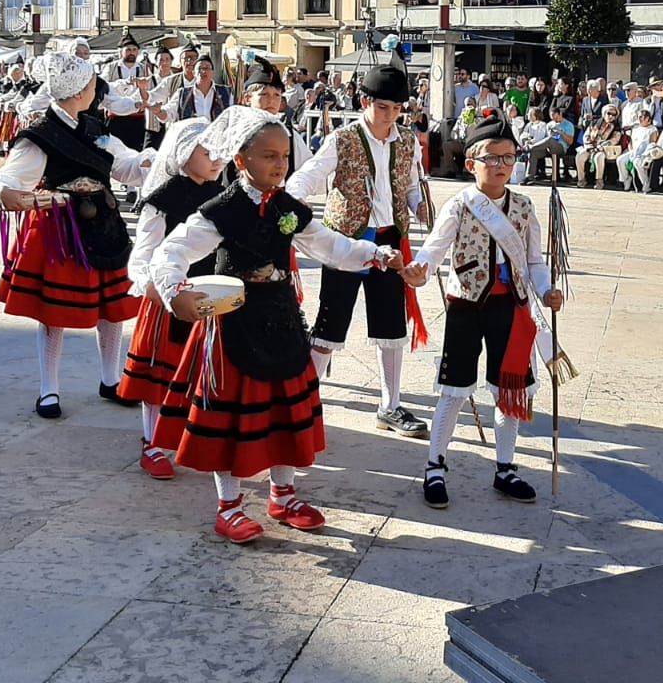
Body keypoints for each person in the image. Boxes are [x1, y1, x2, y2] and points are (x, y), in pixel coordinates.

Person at [148, 108, 405, 543]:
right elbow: (170, 251)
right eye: (269, 155)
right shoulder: (221, 210)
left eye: (285, 155)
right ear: (241, 159)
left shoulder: (289, 208)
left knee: (284, 413)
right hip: (234, 325)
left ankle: (282, 495)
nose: (280, 164)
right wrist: (175, 291)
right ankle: (228, 505)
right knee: (232, 420)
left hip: (283, 320)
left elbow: (329, 245)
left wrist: (374, 255)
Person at [0, 52, 156, 418]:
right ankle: (49, 390)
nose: (95, 89)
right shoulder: (40, 136)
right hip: (62, 231)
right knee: (54, 313)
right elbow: (5, 180)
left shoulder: (94, 128)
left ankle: (111, 379)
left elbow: (124, 166)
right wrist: (6, 194)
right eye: (92, 84)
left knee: (112, 308)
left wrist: (151, 161)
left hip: (104, 224)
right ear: (78, 91)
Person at [406, 112, 562, 509]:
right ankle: (435, 466)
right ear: (471, 162)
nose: (500, 166)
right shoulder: (460, 205)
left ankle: (505, 467)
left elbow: (534, 261)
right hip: (466, 305)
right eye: (491, 158)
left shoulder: (524, 207)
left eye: (508, 157)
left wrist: (546, 290)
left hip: (511, 308)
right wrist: (420, 270)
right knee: (454, 390)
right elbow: (435, 249)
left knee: (509, 390)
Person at [285, 63, 431, 438]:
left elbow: (411, 185)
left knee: (391, 326)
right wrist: (286, 200)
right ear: (366, 102)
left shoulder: (408, 141)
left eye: (398, 108)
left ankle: (391, 405)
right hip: (346, 241)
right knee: (331, 323)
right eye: (384, 107)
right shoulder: (344, 138)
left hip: (389, 240)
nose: (391, 115)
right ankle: (305, 401)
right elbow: (312, 174)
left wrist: (419, 206)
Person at [119, 117, 227, 480]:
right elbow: (142, 257)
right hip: (167, 300)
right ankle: (152, 442)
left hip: (210, 298)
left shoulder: (223, 196)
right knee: (159, 377)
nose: (216, 160)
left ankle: (196, 434)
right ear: (183, 153)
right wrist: (158, 288)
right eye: (207, 152)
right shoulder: (162, 200)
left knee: (202, 373)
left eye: (220, 153)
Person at [101, 33, 149, 151]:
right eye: (128, 50)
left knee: (135, 151)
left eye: (134, 49)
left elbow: (149, 89)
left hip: (137, 117)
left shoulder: (144, 68)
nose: (131, 52)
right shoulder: (111, 68)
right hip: (115, 117)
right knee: (113, 150)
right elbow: (103, 87)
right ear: (121, 51)